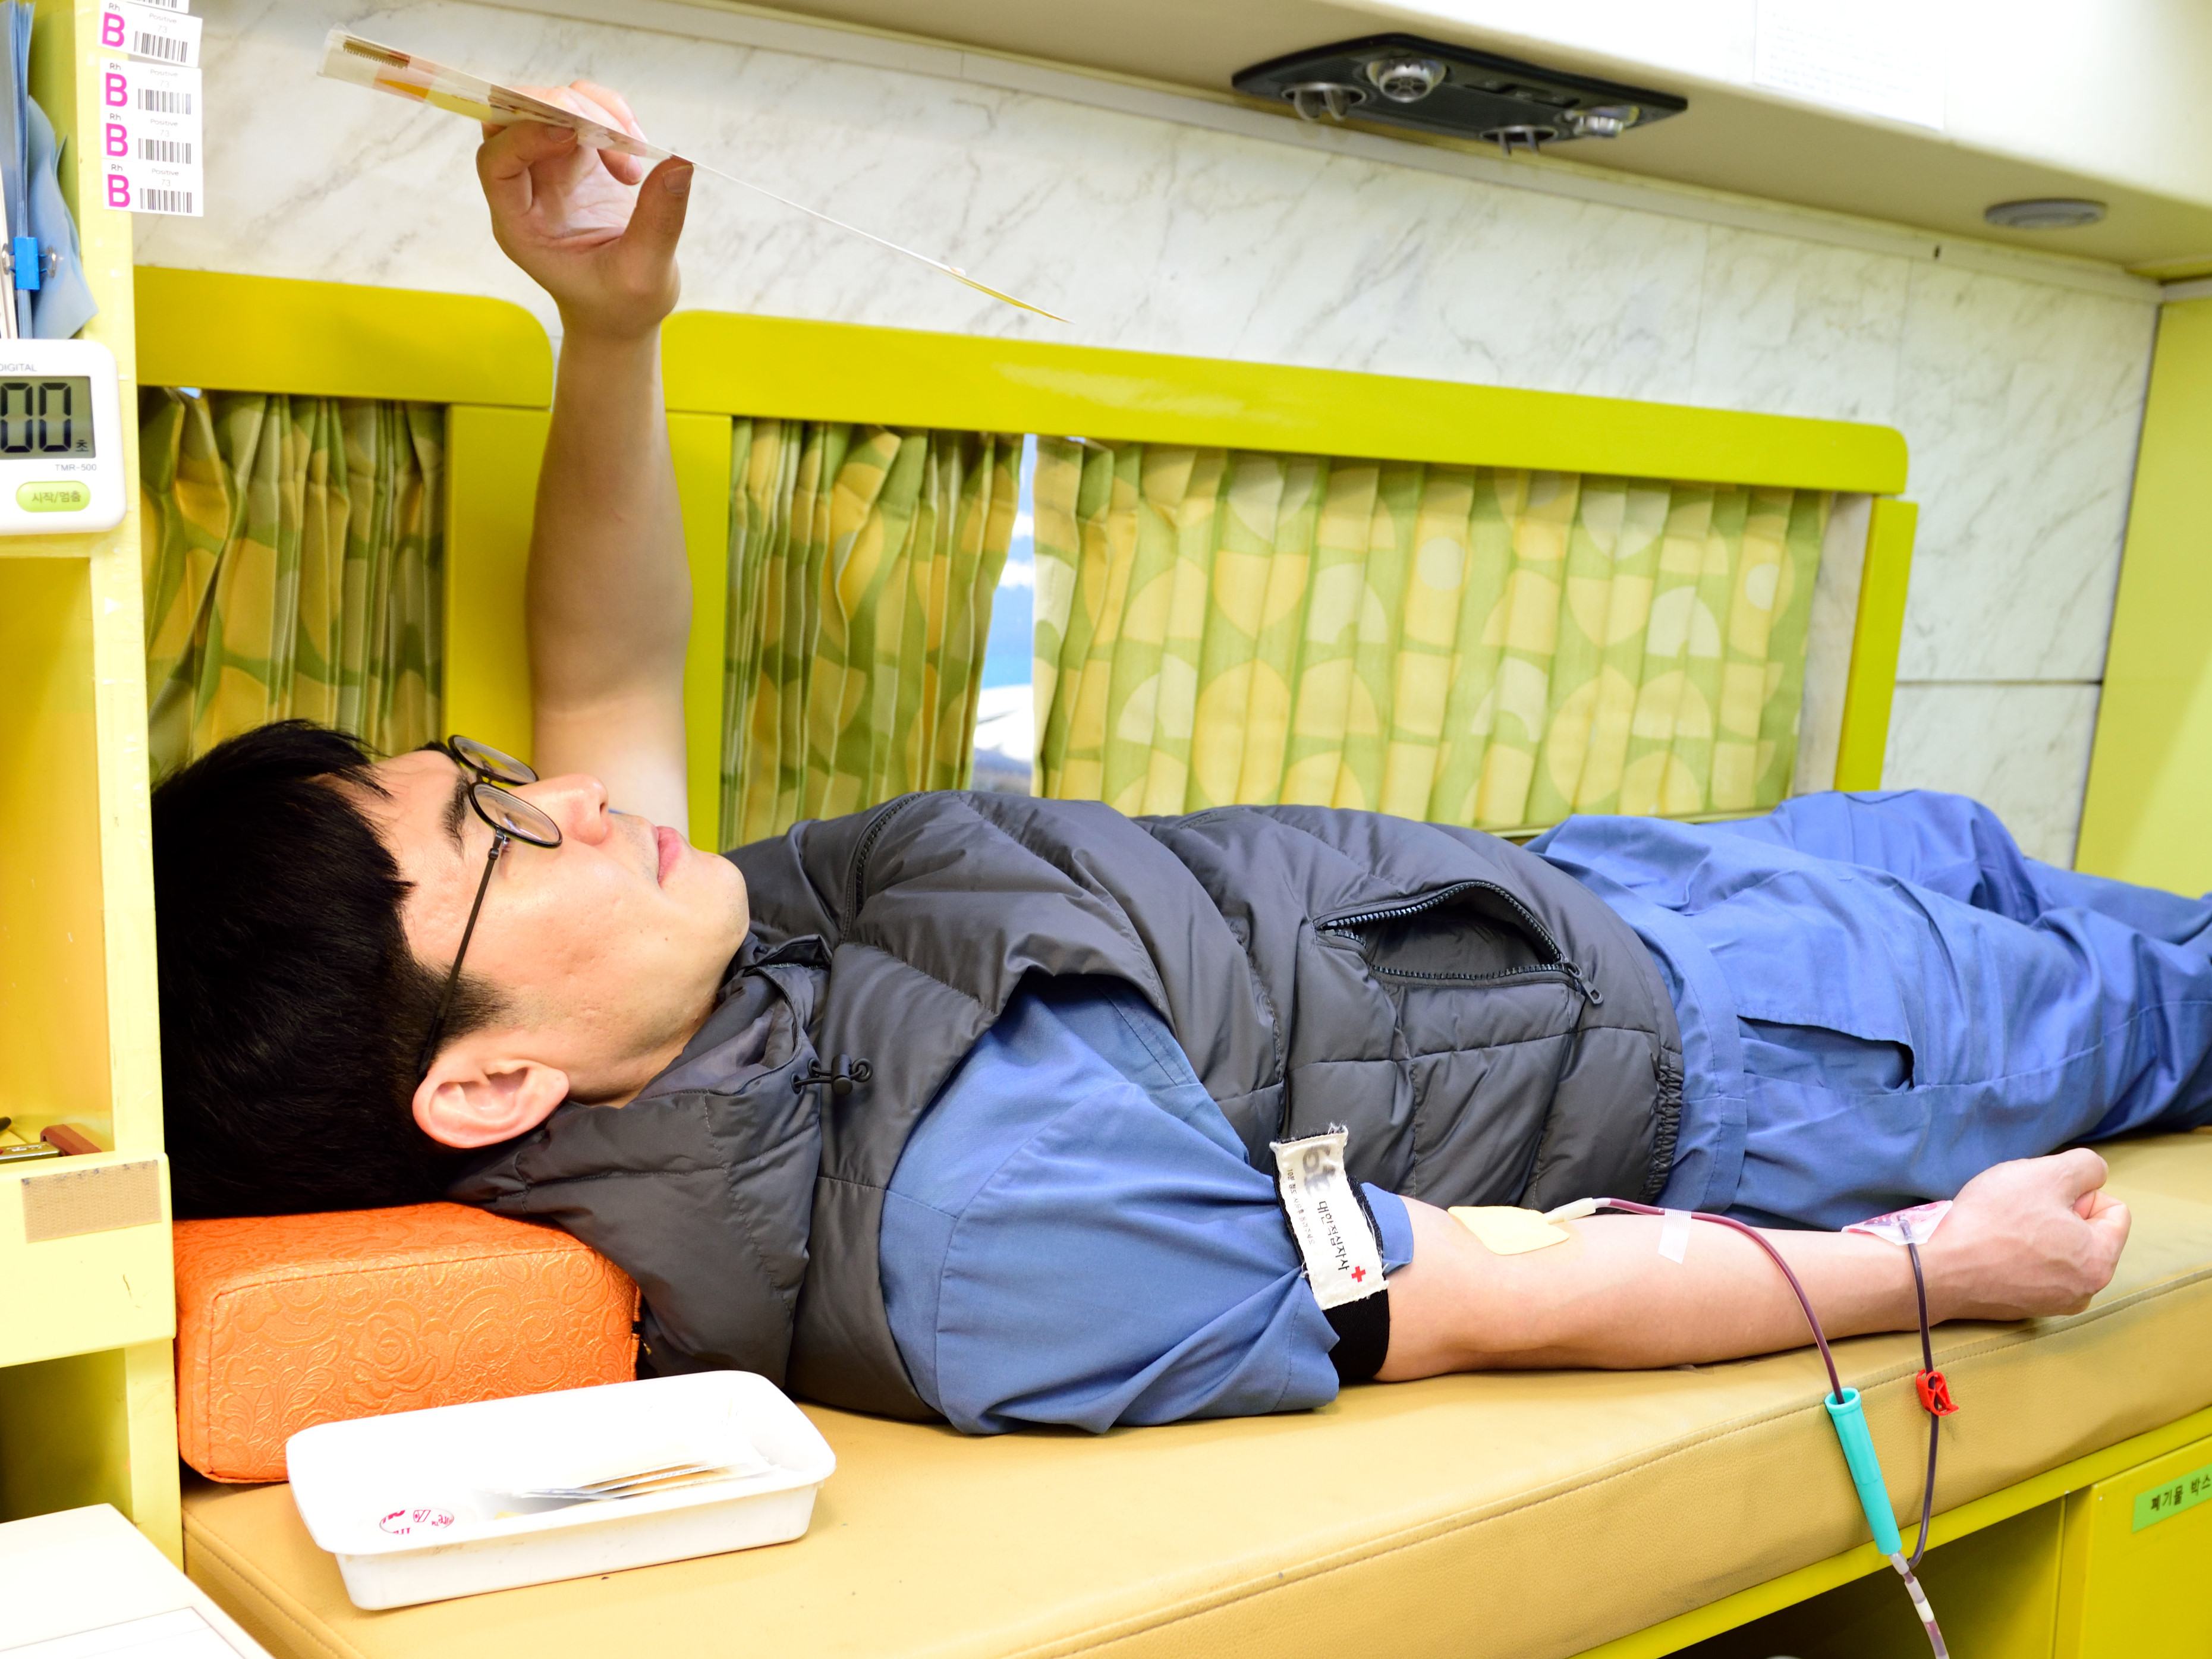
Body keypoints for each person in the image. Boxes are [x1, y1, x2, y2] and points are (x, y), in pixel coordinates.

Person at [151, 86, 2182, 1437]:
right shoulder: (979, 1226)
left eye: (507, 769)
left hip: (1614, 887)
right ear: (482, 1081)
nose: (579, 797)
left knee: (1976, 845)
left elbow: (608, 660)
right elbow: (1489, 1296)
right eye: (508, 831)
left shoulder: (671, 1025)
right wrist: (1934, 1270)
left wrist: (607, 330)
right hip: (1768, 1046)